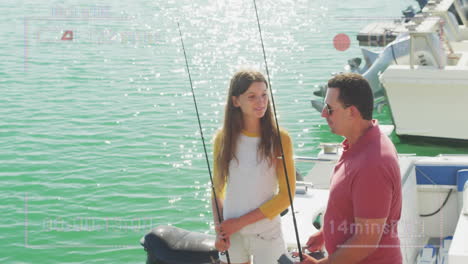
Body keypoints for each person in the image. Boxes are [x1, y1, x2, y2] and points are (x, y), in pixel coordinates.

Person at [296, 73, 402, 264]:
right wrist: (325, 234)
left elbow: (367, 240)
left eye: (329, 109)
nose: (323, 114)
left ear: (351, 112)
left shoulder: (373, 163)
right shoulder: (357, 145)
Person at [211, 70, 296, 264]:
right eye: (252, 97)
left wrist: (237, 224)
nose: (261, 102)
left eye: (264, 95)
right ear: (235, 101)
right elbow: (217, 190)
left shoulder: (281, 139)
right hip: (232, 236)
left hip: (267, 235)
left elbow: (286, 196)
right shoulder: (222, 139)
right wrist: (220, 229)